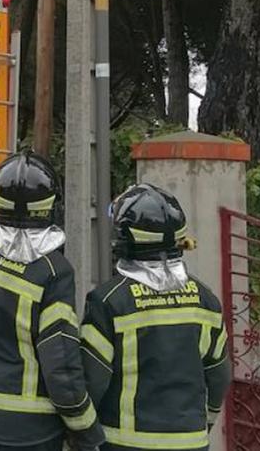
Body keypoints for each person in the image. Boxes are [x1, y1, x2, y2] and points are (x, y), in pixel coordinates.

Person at [0, 151, 105, 451]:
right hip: (30, 429)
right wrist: (85, 429)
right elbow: (61, 364)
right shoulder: (53, 271)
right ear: (50, 208)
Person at [79, 184, 231, 451]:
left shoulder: (108, 301)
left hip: (126, 443)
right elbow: (218, 375)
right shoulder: (206, 299)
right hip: (191, 443)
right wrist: (204, 422)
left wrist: (80, 432)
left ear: (124, 239)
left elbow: (93, 380)